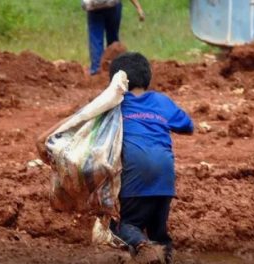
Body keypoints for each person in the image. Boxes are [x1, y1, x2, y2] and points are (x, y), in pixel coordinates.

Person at [109, 52, 194, 264]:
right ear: (148, 78)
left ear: (116, 82)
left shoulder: (115, 104)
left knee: (127, 226)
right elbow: (187, 126)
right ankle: (165, 255)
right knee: (159, 232)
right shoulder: (161, 102)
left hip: (135, 176)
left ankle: (142, 248)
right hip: (165, 180)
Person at [85, 0, 145, 75]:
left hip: (94, 6)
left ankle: (96, 70)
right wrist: (138, 7)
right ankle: (115, 68)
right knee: (113, 38)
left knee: (96, 39)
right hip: (112, 5)